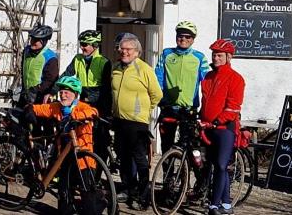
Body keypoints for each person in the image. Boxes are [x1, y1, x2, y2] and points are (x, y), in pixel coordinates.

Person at [27, 75, 103, 215]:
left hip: (83, 159)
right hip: (65, 157)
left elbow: (94, 112)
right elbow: (41, 109)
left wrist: (76, 117)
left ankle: (101, 201)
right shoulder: (57, 107)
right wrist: (29, 109)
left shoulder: (81, 107)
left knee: (88, 196)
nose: (63, 95)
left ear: (75, 94)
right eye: (61, 92)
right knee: (64, 197)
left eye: (67, 92)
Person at [110, 34, 163, 209]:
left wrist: (144, 111)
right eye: (121, 48)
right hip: (119, 120)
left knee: (140, 159)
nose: (123, 52)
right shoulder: (116, 67)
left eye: (128, 49)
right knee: (123, 157)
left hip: (137, 122)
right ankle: (127, 189)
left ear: (137, 52)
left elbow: (157, 94)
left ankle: (143, 194)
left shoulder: (144, 69)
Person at [200, 39, 245, 215]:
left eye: (219, 55)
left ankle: (214, 204)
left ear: (228, 57)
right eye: (214, 55)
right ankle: (226, 204)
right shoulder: (209, 77)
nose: (216, 58)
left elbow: (233, 106)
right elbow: (205, 103)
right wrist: (201, 118)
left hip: (225, 128)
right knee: (215, 165)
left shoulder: (236, 79)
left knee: (220, 165)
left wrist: (218, 121)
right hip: (208, 128)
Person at [156, 20, 210, 152]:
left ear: (193, 39)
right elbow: (158, 76)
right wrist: (160, 98)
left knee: (189, 145)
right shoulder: (167, 54)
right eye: (180, 36)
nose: (183, 39)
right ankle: (168, 172)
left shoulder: (199, 57)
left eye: (188, 37)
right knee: (166, 145)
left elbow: (207, 83)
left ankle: (188, 170)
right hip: (168, 106)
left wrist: (207, 106)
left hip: (189, 107)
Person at [64, 29, 113, 160]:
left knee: (99, 137)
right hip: (83, 102)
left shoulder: (104, 62)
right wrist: (55, 90)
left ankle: (99, 169)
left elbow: (107, 89)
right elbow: (65, 75)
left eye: (85, 44)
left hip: (99, 103)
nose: (82, 47)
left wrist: (107, 112)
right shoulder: (77, 59)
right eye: (81, 44)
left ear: (95, 46)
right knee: (81, 134)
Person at [21, 24, 59, 103]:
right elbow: (23, 71)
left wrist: (36, 89)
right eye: (32, 39)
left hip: (40, 97)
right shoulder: (26, 51)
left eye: (36, 40)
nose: (32, 42)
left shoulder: (50, 57)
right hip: (26, 94)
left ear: (44, 41)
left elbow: (50, 80)